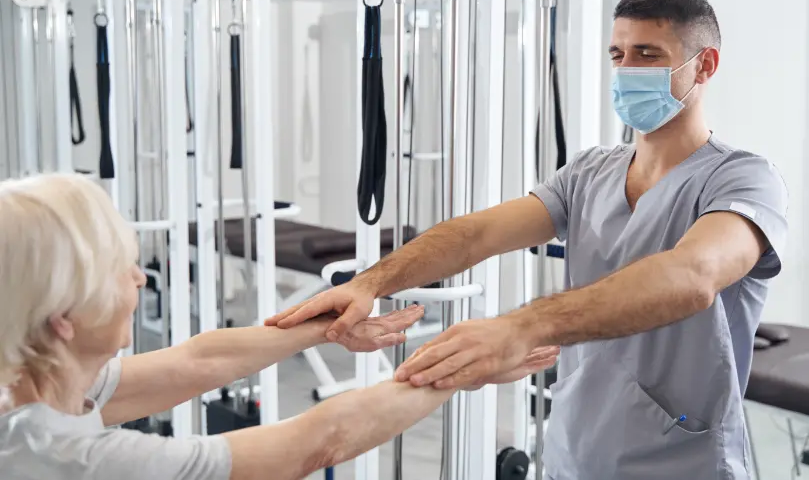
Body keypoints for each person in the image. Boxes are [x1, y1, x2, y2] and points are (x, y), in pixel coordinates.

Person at [268, 0, 789, 479]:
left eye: (648, 55)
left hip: (679, 460)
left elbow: (692, 275)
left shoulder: (741, 178)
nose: (626, 69)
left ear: (705, 66)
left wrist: (520, 327)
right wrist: (370, 283)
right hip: (573, 448)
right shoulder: (590, 171)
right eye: (617, 54)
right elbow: (475, 235)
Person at [0, 173, 559, 480]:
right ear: (63, 319)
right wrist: (462, 367)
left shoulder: (36, 391)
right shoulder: (71, 458)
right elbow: (315, 443)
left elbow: (196, 362)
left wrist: (324, 326)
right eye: (117, 272)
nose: (139, 282)